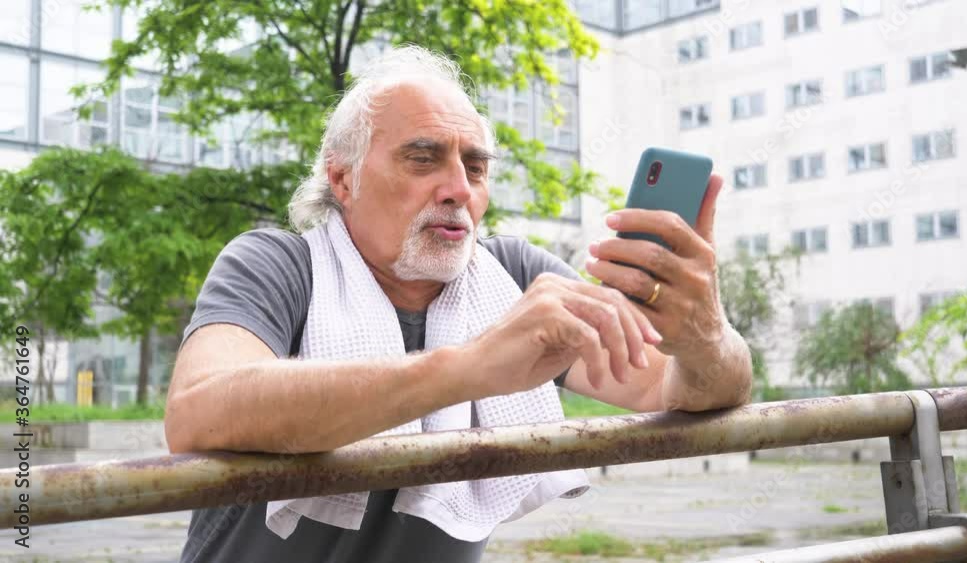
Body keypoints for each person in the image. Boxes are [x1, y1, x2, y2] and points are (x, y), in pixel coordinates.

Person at [169, 45, 752, 563]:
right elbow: (198, 413)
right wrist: (469, 366)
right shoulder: (277, 264)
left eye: (475, 167)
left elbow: (670, 388)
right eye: (422, 159)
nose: (459, 190)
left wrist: (704, 336)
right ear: (343, 180)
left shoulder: (515, 274)